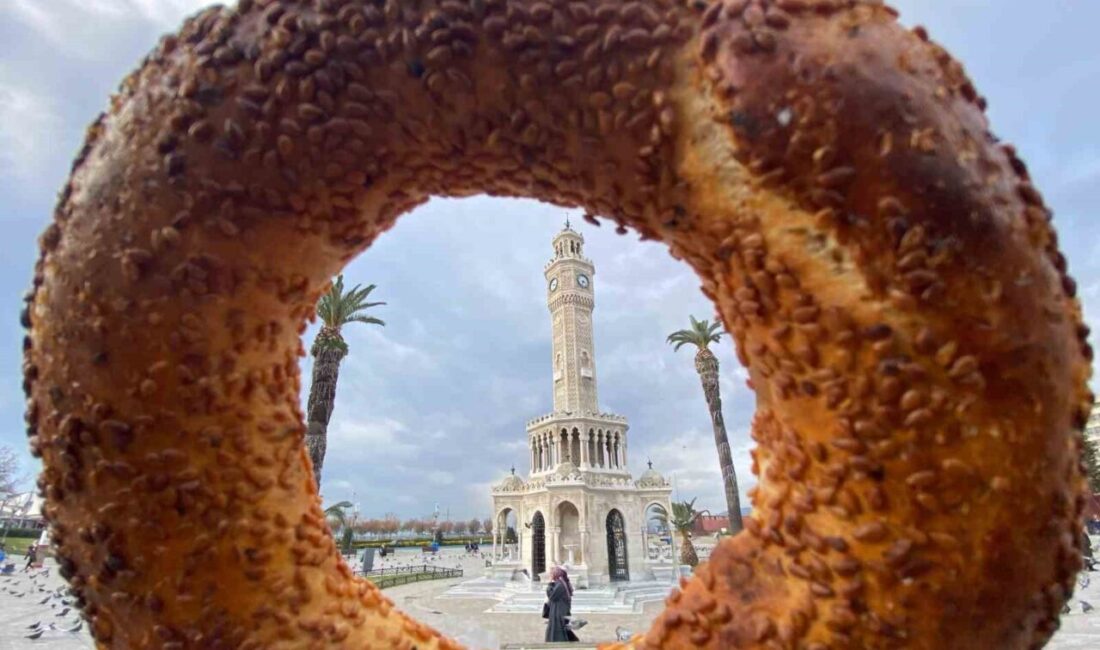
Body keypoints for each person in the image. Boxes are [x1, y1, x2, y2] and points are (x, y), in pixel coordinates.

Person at [544, 566, 578, 642]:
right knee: (562, 628)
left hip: (559, 611)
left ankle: (561, 643)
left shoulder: (560, 585)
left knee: (559, 629)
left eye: (551, 573)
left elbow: (552, 596)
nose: (550, 575)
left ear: (555, 574)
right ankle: (572, 640)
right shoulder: (562, 583)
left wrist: (549, 584)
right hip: (560, 609)